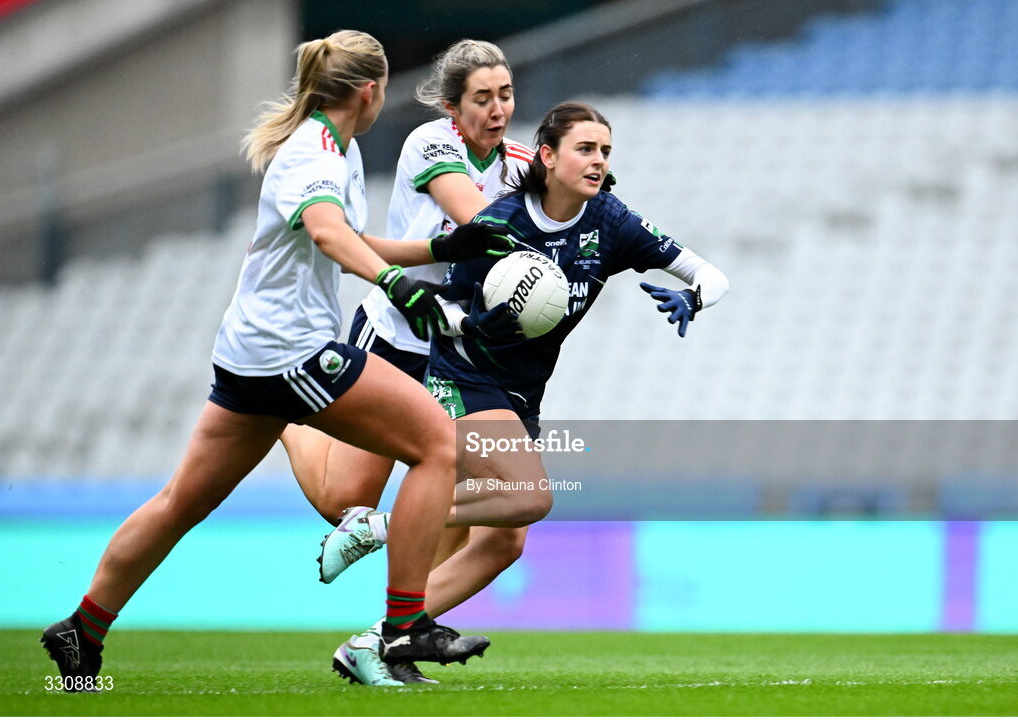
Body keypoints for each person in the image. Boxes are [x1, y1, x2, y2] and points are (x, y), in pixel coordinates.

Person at [39, 30, 514, 692]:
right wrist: (394, 285)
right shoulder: (318, 156)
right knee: (437, 443)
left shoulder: (331, 146)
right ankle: (405, 626)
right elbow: (326, 230)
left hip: (252, 353)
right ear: (371, 91)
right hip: (293, 350)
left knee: (182, 502)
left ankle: (82, 628)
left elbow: (350, 237)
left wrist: (432, 255)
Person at [311, 100, 730, 684]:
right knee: (531, 496)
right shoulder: (498, 223)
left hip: (521, 394)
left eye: (605, 151)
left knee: (504, 542)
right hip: (463, 375)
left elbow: (713, 275)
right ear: (548, 156)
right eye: (585, 149)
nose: (598, 160)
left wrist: (694, 297)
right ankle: (377, 528)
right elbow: (446, 310)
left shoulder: (610, 221)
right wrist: (471, 325)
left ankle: (377, 644)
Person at [278, 38, 540, 686]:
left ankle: (382, 640)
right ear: (452, 106)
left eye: (505, 94)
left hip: (464, 363)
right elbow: (475, 217)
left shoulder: (520, 163)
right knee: (344, 498)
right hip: (399, 338)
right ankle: (284, 418)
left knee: (503, 528)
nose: (498, 107)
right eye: (483, 97)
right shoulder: (432, 144)